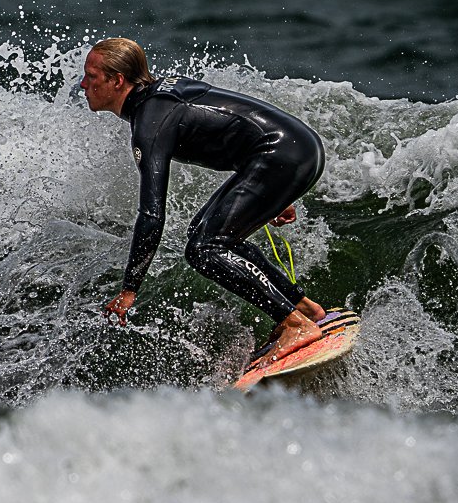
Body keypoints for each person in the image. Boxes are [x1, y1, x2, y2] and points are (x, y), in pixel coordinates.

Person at [79, 36, 328, 365]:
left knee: (204, 249)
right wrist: (275, 190)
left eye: (92, 76)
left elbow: (152, 214)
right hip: (292, 147)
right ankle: (304, 308)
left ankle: (294, 325)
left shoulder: (149, 122)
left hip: (282, 153)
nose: (83, 84)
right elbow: (234, 127)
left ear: (117, 80)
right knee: (207, 233)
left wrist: (129, 289)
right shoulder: (160, 95)